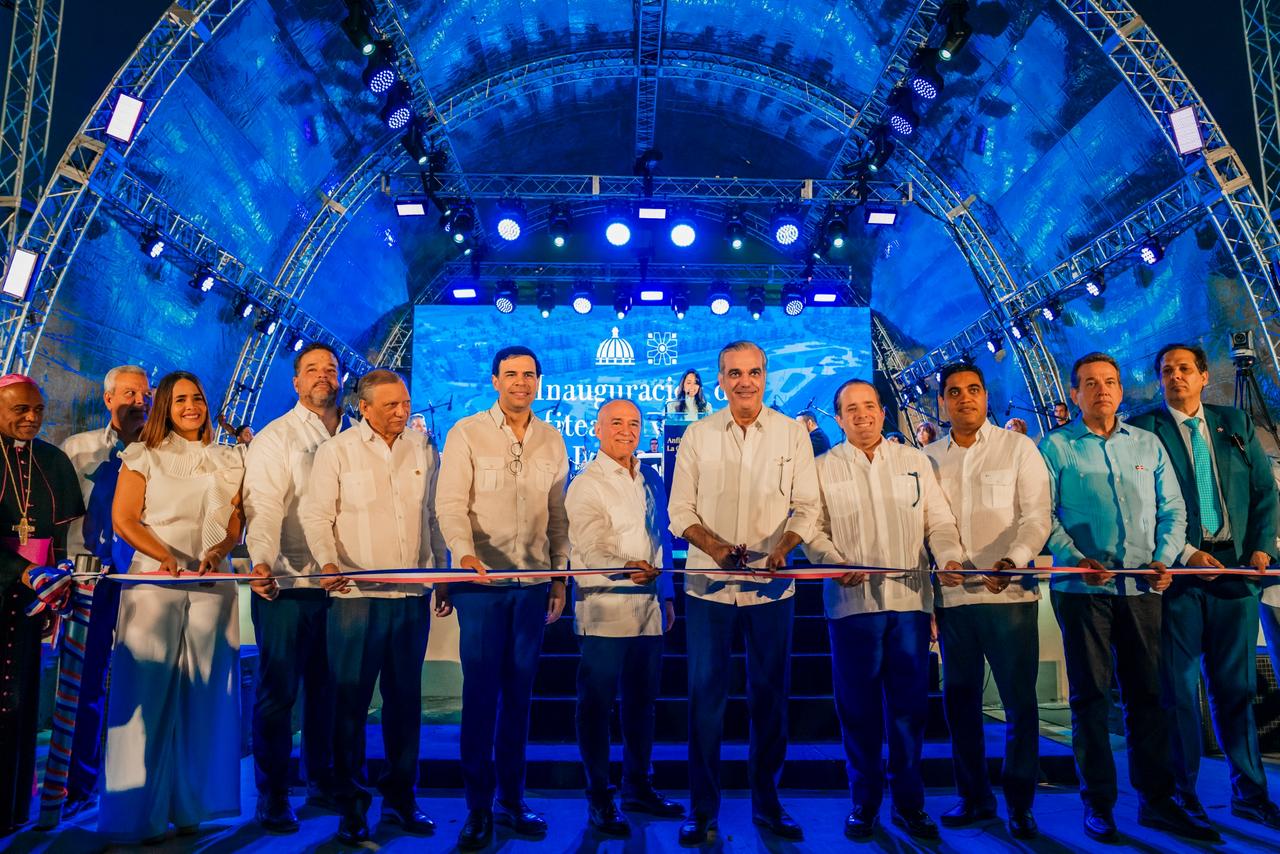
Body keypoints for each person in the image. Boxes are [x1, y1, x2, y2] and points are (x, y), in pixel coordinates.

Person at [1039, 352, 1212, 842]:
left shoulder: (1147, 444)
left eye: (1110, 382)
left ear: (1121, 389)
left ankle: (1157, 802)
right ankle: (1098, 805)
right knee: (1090, 699)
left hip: (1141, 588)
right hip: (1082, 591)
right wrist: (1076, 558)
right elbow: (1042, 513)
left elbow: (1173, 509)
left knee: (1148, 697)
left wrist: (1164, 557)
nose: (1102, 390)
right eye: (1091, 383)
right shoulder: (1055, 446)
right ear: (1074, 393)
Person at [667, 341, 820, 845]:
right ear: (720, 380)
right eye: (734, 374)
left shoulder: (791, 434)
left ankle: (768, 805)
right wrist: (713, 547)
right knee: (704, 701)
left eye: (753, 372)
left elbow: (807, 507)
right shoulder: (698, 434)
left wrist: (784, 548)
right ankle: (702, 810)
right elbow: (679, 511)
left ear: (765, 375)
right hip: (707, 588)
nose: (745, 382)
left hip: (771, 590)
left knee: (770, 699)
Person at [1127, 343, 1279, 830]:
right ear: (1158, 380)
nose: (1176, 377)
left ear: (1204, 376)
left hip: (1236, 576)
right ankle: (1182, 795)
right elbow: (1142, 505)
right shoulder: (1143, 430)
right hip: (1179, 575)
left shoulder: (1234, 424)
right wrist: (1186, 553)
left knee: (1237, 690)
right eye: (1167, 371)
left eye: (1185, 369)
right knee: (1177, 693)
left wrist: (1262, 549)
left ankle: (1250, 793)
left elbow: (1264, 492)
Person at [804, 379, 964, 842]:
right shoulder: (822, 468)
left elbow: (938, 521)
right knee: (858, 710)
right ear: (839, 419)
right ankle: (865, 802)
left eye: (870, 406)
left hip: (910, 604)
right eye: (851, 409)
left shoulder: (914, 461)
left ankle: (910, 804)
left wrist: (949, 558)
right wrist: (832, 561)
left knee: (909, 710)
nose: (863, 415)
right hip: (852, 606)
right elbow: (812, 529)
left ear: (881, 411)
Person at [100, 371, 245, 844]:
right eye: (180, 399)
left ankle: (192, 805)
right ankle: (136, 813)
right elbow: (124, 519)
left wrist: (218, 552)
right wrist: (164, 556)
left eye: (197, 398)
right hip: (153, 579)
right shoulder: (142, 455)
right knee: (145, 689)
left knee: (205, 690)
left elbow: (235, 521)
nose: (191, 406)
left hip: (211, 582)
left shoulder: (227, 457)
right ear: (165, 404)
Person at [435, 345, 570, 851]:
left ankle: (512, 800)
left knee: (518, 699)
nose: (520, 382)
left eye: (529, 375)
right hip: (482, 588)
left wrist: (559, 577)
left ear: (538, 381)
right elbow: (450, 505)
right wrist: (464, 554)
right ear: (494, 380)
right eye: (511, 374)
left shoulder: (552, 439)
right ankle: (477, 807)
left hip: (532, 588)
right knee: (480, 697)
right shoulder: (466, 432)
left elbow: (558, 516)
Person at [300, 368, 443, 845]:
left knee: (405, 703)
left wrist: (441, 572)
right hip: (355, 599)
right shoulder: (337, 451)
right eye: (391, 406)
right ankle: (352, 805)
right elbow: (316, 515)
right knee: (350, 704)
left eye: (405, 403)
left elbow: (433, 516)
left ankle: (401, 798)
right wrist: (327, 562)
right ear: (364, 408)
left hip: (411, 597)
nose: (402, 412)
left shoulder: (423, 448)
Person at [924, 363, 1050, 840]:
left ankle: (1020, 803)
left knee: (1020, 704)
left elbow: (1037, 518)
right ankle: (973, 796)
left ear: (986, 396)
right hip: (953, 599)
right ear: (942, 403)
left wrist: (1013, 561)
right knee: (959, 704)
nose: (965, 398)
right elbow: (932, 525)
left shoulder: (1018, 448)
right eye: (954, 392)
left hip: (1010, 597)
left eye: (973, 389)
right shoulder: (927, 458)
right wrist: (947, 563)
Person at [241, 343, 348, 832]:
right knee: (278, 693)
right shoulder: (275, 437)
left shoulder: (356, 434)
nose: (323, 375)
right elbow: (263, 506)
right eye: (312, 369)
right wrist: (261, 561)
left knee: (330, 691)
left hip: (344, 585)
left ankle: (321, 779)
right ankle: (274, 793)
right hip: (287, 583)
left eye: (331, 369)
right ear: (296, 382)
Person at [566, 398, 683, 837]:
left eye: (633, 423)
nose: (626, 430)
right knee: (596, 707)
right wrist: (625, 566)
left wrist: (666, 595)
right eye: (616, 422)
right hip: (604, 610)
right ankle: (599, 795)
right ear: (597, 430)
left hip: (648, 610)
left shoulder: (651, 478)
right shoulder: (586, 483)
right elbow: (590, 545)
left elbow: (660, 539)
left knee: (641, 705)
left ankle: (638, 786)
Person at [51, 365, 150, 821]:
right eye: (129, 393)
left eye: (146, 394)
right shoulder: (78, 449)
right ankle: (79, 782)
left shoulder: (159, 452)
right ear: (108, 398)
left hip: (141, 579)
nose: (139, 401)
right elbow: (59, 516)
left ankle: (137, 777)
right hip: (88, 579)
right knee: (85, 681)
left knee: (140, 678)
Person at [0, 374, 84, 836]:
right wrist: (24, 571)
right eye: (21, 410)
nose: (32, 418)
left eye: (38, 410)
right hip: (7, 585)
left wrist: (59, 581)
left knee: (21, 701)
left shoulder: (52, 459)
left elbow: (62, 536)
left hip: (32, 599)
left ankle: (13, 808)